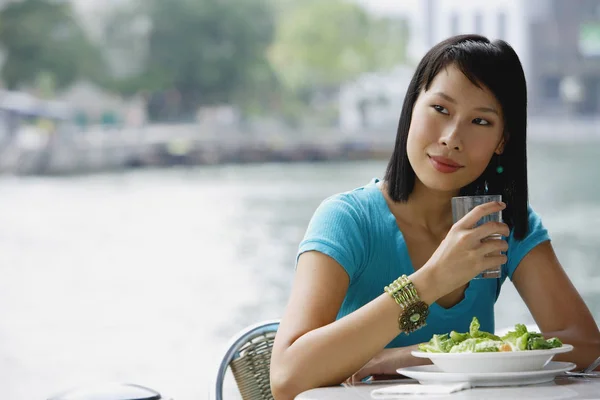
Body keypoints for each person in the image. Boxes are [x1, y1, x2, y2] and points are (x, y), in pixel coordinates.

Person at [269, 34, 600, 400]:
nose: (452, 138)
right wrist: (432, 280)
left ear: (502, 141)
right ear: (412, 105)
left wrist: (418, 358)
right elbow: (287, 378)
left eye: (481, 122)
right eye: (440, 109)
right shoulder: (347, 220)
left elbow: (585, 344)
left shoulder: (499, 223)